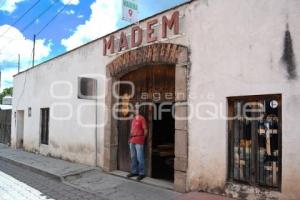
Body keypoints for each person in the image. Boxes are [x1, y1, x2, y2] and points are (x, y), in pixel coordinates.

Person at [127, 107, 148, 181]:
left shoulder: (142, 119)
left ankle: (142, 173)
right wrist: (130, 139)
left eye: (137, 109)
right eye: (135, 109)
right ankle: (134, 172)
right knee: (133, 157)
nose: (136, 111)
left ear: (139, 111)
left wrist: (143, 139)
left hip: (139, 140)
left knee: (140, 157)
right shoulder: (133, 119)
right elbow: (132, 130)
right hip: (132, 139)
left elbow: (145, 130)